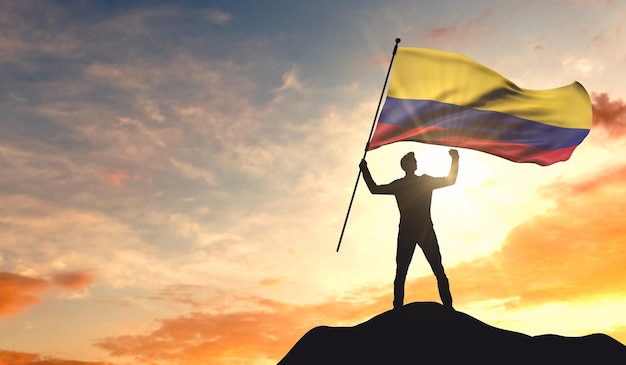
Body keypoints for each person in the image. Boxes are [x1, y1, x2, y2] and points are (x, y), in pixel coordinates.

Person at [359, 149, 459, 310]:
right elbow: (375, 189)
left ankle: (447, 307)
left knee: (433, 269)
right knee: (406, 271)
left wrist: (365, 170)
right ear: (408, 166)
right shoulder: (412, 183)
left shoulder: (410, 183)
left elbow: (450, 180)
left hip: (419, 229)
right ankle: (399, 307)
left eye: (413, 162)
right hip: (415, 230)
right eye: (411, 162)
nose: (414, 164)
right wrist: (365, 170)